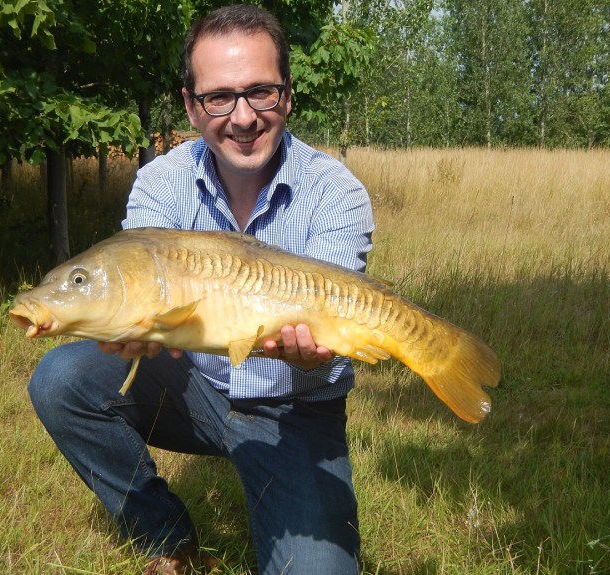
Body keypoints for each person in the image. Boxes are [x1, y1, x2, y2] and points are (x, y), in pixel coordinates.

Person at [28, 4, 374, 574]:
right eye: (219, 97)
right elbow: (131, 289)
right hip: (196, 387)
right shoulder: (161, 183)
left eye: (260, 91)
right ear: (191, 105)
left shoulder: (335, 192)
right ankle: (165, 535)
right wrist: (129, 328)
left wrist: (315, 355)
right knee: (63, 378)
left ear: (287, 95)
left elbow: (327, 336)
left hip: (295, 410)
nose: (242, 117)